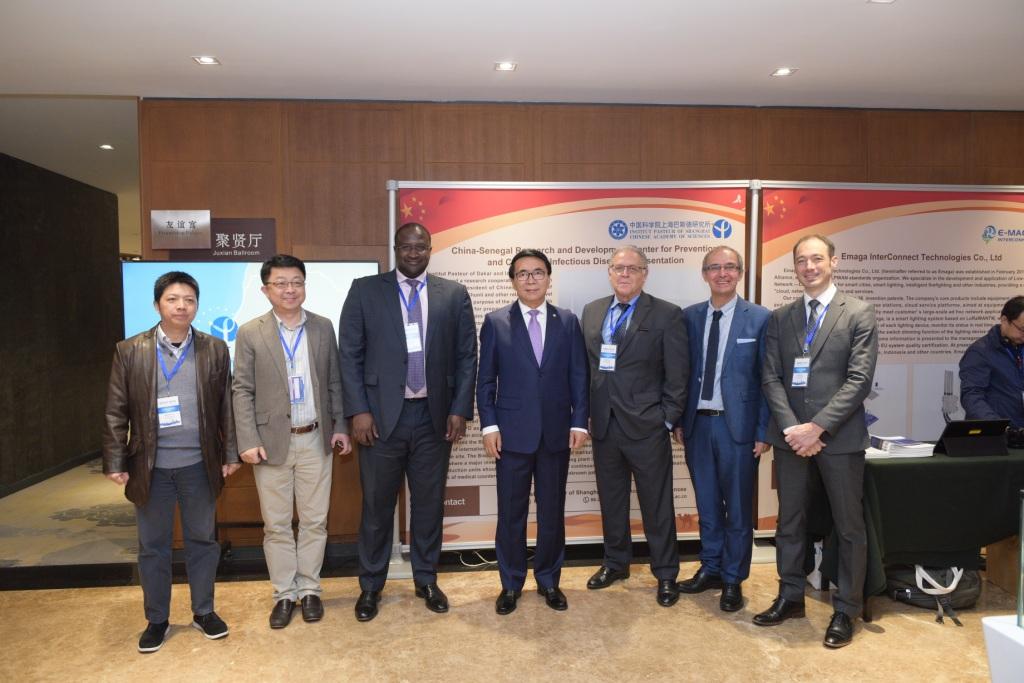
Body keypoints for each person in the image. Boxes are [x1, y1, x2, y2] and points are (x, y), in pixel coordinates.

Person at [339, 222, 477, 621]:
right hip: (381, 420)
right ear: (396, 248)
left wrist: (459, 409)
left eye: (420, 246)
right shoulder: (365, 290)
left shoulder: (453, 294)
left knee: (429, 504)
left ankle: (426, 579)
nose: (413, 253)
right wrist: (358, 411)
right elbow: (349, 354)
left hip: (435, 418)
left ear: (430, 249)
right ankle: (370, 586)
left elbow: (467, 355)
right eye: (406, 246)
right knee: (377, 506)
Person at [103, 271, 239, 653]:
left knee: (203, 541)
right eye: (173, 299)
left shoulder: (215, 349)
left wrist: (230, 453)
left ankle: (204, 612)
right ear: (157, 305)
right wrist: (115, 459)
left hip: (199, 464)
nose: (182, 306)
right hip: (151, 467)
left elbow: (226, 406)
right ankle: (157, 620)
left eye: (189, 300)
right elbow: (115, 410)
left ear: (197, 305)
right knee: (153, 546)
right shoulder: (130, 350)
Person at [754, 234, 878, 649]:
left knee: (848, 527)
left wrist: (818, 428)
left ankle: (846, 608)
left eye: (817, 259)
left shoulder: (858, 312)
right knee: (789, 522)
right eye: (801, 261)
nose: (809, 267)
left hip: (838, 440)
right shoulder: (781, 317)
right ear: (794, 267)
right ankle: (790, 596)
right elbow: (770, 377)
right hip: (791, 439)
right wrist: (794, 429)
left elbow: (859, 380)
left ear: (833, 262)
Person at [232, 254, 351, 629]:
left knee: (315, 521)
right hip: (271, 443)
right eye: (281, 283)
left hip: (315, 437)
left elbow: (334, 381)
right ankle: (284, 594)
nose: (289, 289)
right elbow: (242, 389)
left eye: (296, 282)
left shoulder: (322, 327)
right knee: (277, 525)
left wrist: (341, 426)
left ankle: (310, 589)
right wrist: (247, 438)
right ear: (265, 289)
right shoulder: (250, 332)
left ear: (304, 285)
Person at [477, 249, 590, 615]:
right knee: (511, 513)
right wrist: (489, 426)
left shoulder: (567, 321)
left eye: (537, 272)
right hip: (511, 436)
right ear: (513, 280)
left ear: (548, 278)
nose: (530, 279)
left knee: (552, 512)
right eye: (522, 273)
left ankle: (549, 580)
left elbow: (579, 376)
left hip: (556, 434)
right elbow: (485, 380)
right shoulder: (496, 322)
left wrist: (579, 421)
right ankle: (511, 584)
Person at [580, 245, 688, 607]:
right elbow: (587, 368)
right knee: (612, 501)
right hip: (604, 425)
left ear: (645, 273)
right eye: (618, 268)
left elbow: (678, 375)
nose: (624, 274)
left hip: (647, 427)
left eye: (632, 268)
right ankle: (615, 563)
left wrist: (666, 418)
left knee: (657, 505)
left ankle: (666, 573)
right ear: (609, 272)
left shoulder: (667, 314)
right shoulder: (593, 311)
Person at [674, 246, 770, 612]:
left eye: (730, 267)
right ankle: (711, 568)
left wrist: (763, 430)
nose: (722, 273)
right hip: (698, 426)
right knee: (707, 504)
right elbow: (681, 373)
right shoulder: (689, 317)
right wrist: (679, 420)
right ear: (704, 274)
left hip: (739, 430)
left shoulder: (760, 318)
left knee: (739, 509)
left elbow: (768, 379)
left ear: (740, 273)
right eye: (714, 267)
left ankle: (733, 578)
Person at [959, 295, 1024, 427]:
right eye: (1022, 329)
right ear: (1004, 320)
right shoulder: (980, 352)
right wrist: (998, 426)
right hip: (998, 433)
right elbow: (972, 396)